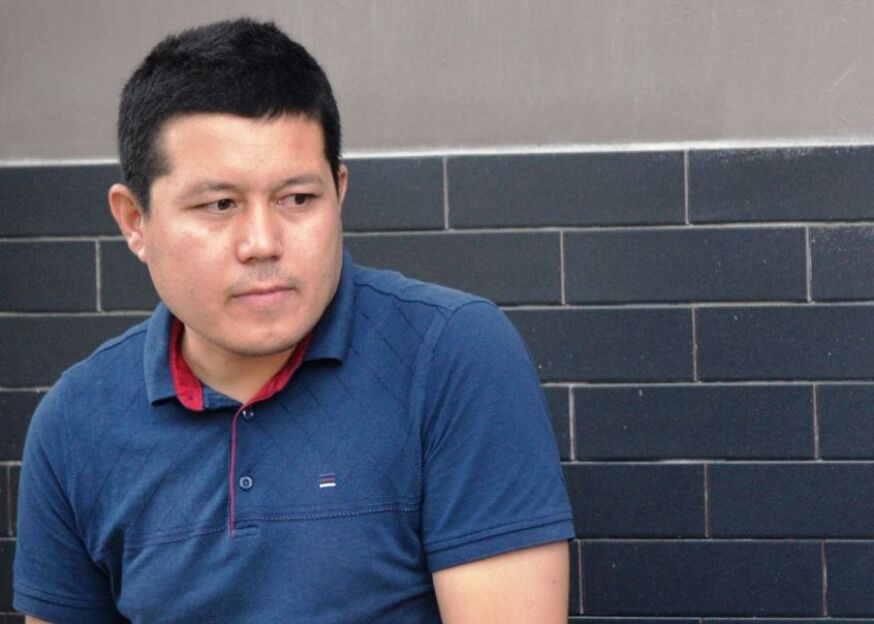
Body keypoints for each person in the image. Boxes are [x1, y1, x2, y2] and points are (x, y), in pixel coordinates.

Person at [13, 18, 574, 623]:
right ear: (134, 221)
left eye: (298, 199)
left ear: (339, 192)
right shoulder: (76, 421)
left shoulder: (451, 356)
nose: (262, 243)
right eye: (219, 204)